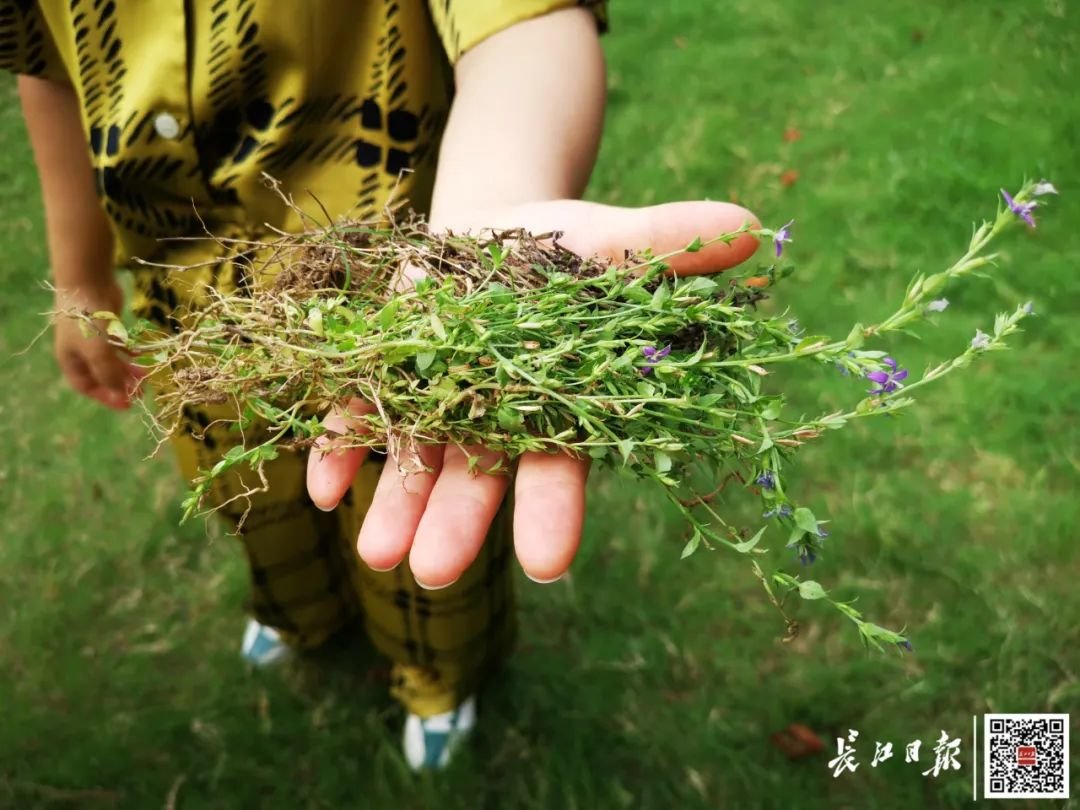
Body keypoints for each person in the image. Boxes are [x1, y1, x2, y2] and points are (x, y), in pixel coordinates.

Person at [6, 0, 761, 770]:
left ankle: (439, 676)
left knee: (419, 546)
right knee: (251, 498)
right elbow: (47, 64)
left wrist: (496, 209)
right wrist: (79, 278)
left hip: (390, 303)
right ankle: (298, 611)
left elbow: (519, 19)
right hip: (189, 307)